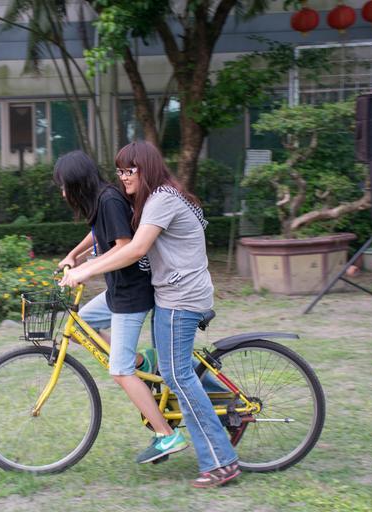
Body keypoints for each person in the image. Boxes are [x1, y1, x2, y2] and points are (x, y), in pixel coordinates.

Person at [60, 142, 240, 488]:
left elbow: (135, 249)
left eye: (130, 170)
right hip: (172, 294)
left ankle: (221, 462)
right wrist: (80, 258)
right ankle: (220, 405)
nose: (123, 177)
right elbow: (112, 237)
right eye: (119, 171)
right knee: (175, 368)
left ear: (147, 168)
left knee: (177, 376)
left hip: (180, 298)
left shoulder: (161, 201)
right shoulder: (155, 197)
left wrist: (84, 270)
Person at [53, 150, 189, 464]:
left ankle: (166, 435)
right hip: (117, 289)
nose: (63, 193)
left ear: (76, 182)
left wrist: (86, 270)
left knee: (120, 370)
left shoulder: (109, 200)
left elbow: (124, 246)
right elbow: (99, 233)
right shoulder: (101, 201)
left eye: (64, 186)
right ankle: (144, 361)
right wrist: (73, 255)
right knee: (82, 323)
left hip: (131, 294)